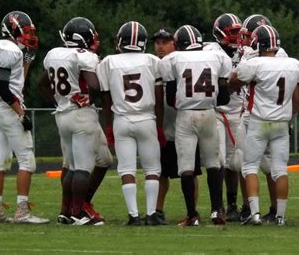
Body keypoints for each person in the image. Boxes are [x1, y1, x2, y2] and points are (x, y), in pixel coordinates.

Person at [230, 25, 299, 226]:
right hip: (281, 123)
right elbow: (296, 94)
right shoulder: (294, 64)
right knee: (280, 169)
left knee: (250, 166)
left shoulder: (255, 63)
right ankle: (280, 216)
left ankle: (254, 214)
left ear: (257, 43)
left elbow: (233, 81)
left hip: (259, 122)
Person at [158, 25, 231, 226]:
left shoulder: (173, 60)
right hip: (209, 114)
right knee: (213, 163)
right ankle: (217, 210)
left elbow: (171, 97)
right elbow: (224, 96)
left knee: (186, 167)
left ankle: (192, 215)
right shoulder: (217, 57)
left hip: (185, 116)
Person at [96, 21, 164, 226]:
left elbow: (106, 100)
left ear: (121, 41)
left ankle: (133, 215)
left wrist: (108, 126)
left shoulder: (108, 62)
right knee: (152, 168)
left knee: (126, 169)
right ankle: (152, 214)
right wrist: (159, 126)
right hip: (146, 118)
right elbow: (159, 99)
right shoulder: (153, 61)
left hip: (122, 120)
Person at [0, 10, 49, 224]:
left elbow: (14, 82)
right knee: (27, 161)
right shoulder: (8, 49)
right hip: (8, 109)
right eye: (26, 32)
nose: (29, 36)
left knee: (0, 161)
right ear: (13, 30)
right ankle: (22, 211)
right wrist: (21, 113)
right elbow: (4, 88)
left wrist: (27, 60)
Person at [40, 17, 105, 225]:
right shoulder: (84, 56)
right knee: (82, 168)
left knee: (72, 165)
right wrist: (90, 99)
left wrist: (60, 101)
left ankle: (66, 211)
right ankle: (79, 213)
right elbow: (94, 86)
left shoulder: (53, 54)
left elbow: (42, 84)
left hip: (63, 115)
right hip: (81, 115)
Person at [152, 28, 202, 225]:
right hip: (165, 126)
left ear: (175, 43)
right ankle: (157, 209)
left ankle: (192, 211)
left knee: (191, 171)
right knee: (161, 172)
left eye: (165, 42)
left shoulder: (185, 62)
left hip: (186, 124)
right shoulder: (155, 64)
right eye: (157, 42)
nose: (160, 46)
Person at [203, 13, 244, 222]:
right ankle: (217, 207)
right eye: (233, 32)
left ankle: (233, 205)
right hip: (217, 111)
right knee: (217, 159)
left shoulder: (244, 51)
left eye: (239, 32)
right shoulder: (212, 52)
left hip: (238, 110)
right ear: (220, 33)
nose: (237, 37)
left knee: (234, 162)